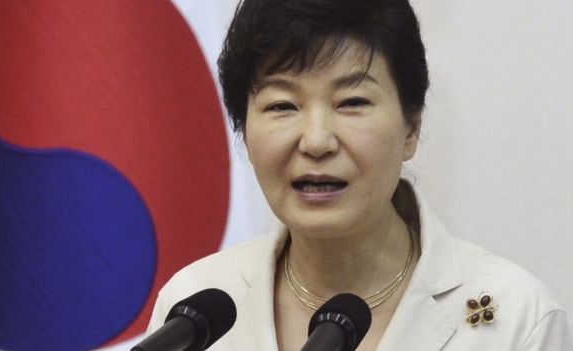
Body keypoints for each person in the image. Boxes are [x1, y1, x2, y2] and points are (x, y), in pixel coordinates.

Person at [147, 0, 572, 349]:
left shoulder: (517, 319)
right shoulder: (190, 312)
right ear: (243, 128)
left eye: (351, 102)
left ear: (411, 127)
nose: (316, 141)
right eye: (282, 105)